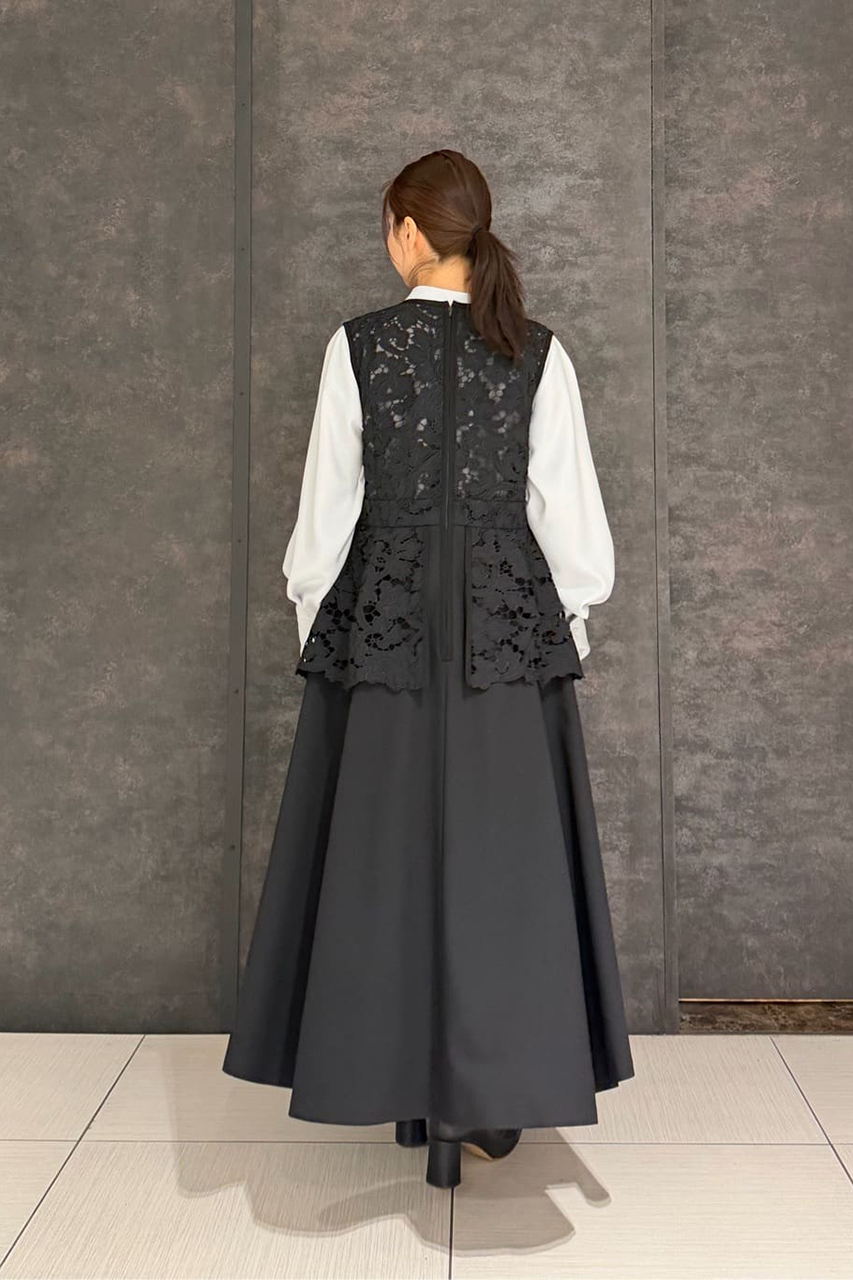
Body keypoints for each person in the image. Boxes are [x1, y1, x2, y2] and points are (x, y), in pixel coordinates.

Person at [222, 148, 635, 1190]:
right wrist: (564, 627)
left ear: (407, 231)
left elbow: (326, 514)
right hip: (506, 634)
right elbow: (570, 522)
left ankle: (397, 1081)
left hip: (385, 631)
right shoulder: (535, 351)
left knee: (381, 865)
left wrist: (317, 620)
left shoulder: (358, 345)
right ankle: (489, 1093)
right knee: (504, 869)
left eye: (385, 225)